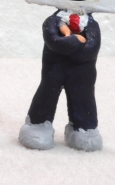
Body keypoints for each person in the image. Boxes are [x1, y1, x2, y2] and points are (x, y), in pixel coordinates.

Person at [18, 9, 103, 151]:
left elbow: (89, 51)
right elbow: (55, 42)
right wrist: (77, 40)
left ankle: (84, 128)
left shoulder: (91, 25)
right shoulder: (52, 21)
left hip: (82, 74)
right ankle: (38, 124)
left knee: (83, 98)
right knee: (47, 95)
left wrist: (68, 39)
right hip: (53, 69)